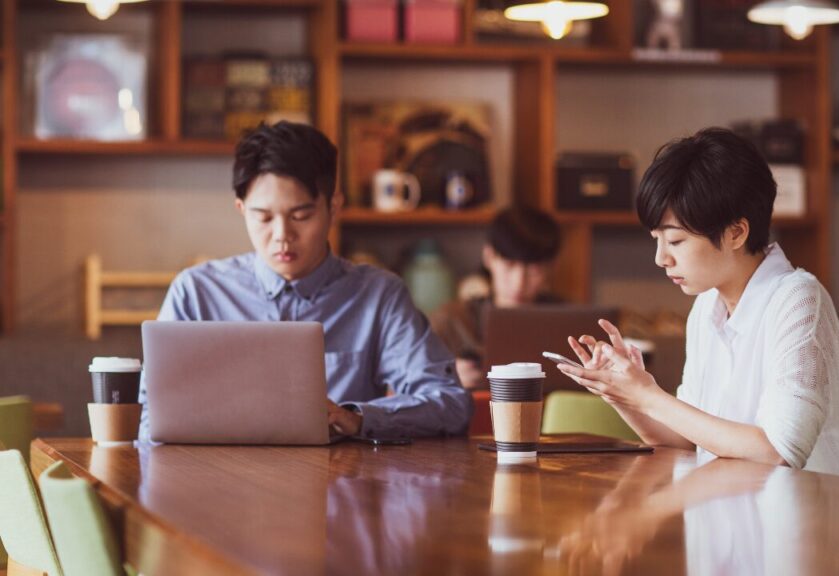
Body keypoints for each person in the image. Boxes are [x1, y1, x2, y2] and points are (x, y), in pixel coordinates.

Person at [557, 127, 839, 483]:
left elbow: (778, 452)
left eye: (676, 240)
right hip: (740, 517)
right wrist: (622, 392)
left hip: (821, 525)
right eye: (656, 240)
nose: (661, 259)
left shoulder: (798, 300)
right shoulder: (706, 306)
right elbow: (689, 444)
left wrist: (648, 396)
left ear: (736, 232)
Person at [138, 121, 472, 440]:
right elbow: (150, 416)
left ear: (333, 207)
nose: (282, 235)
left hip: (339, 486)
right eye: (264, 217)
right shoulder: (198, 293)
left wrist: (356, 418)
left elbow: (450, 402)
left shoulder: (377, 296)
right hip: (220, 485)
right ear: (241, 209)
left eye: (301, 216)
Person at [429, 206, 561, 389]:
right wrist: (444, 379)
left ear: (550, 268)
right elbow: (401, 388)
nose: (518, 283)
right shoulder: (452, 321)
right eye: (509, 265)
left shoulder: (567, 323)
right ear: (489, 257)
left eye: (534, 271)